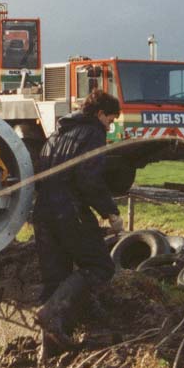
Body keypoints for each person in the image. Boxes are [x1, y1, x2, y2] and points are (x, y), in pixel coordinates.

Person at [31, 89, 125, 353]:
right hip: (69, 212)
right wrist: (110, 212)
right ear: (99, 114)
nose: (110, 125)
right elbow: (89, 179)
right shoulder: (93, 133)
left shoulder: (57, 133)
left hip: (43, 214)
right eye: (111, 119)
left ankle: (50, 350)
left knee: (55, 279)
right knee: (99, 266)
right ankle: (51, 316)